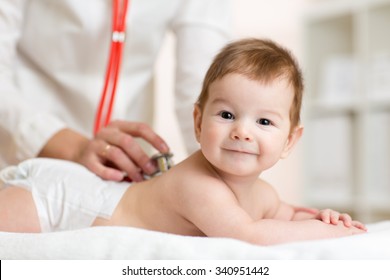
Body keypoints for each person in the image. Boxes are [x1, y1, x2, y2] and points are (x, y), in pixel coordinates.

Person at [0, 38, 367, 245]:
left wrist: (323, 216)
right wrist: (326, 233)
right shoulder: (200, 186)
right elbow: (249, 234)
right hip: (65, 200)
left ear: (290, 140)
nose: (242, 131)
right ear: (198, 121)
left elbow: (285, 214)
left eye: (264, 121)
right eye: (226, 115)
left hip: (89, 196)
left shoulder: (262, 193)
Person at [0, 0, 232, 182]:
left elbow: (205, 82)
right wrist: (75, 148)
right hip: (23, 150)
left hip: (125, 164)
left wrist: (224, 176)